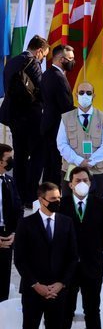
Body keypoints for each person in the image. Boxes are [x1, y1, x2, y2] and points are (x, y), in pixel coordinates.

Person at [13, 182, 78, 329]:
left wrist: (60, 284)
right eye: (53, 199)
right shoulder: (26, 224)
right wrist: (36, 285)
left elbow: (72, 258)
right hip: (34, 291)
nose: (57, 202)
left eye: (59, 198)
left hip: (58, 291)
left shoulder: (66, 223)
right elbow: (20, 259)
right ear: (41, 200)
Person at [58, 167, 103, 329]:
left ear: (90, 184)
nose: (81, 183)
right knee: (66, 309)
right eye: (77, 180)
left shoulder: (101, 205)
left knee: (92, 309)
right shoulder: (61, 206)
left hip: (92, 265)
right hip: (67, 267)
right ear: (70, 184)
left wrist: (94, 249)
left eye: (85, 180)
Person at [0, 35, 48, 204]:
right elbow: (42, 89)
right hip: (31, 118)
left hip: (13, 117)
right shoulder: (33, 63)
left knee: (19, 155)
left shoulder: (12, 62)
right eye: (44, 55)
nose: (43, 59)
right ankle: (30, 194)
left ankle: (18, 193)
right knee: (38, 154)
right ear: (39, 51)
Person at [55, 81, 103, 200]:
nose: (85, 95)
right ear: (76, 95)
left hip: (96, 171)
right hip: (72, 169)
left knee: (95, 206)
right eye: (81, 92)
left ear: (93, 95)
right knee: (69, 206)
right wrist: (79, 161)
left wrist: (90, 162)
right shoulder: (66, 118)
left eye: (88, 93)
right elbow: (61, 144)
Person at [36, 44, 76, 185]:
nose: (73, 61)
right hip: (56, 128)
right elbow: (66, 106)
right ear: (61, 59)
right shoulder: (58, 78)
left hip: (48, 125)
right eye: (70, 58)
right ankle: (54, 194)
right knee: (55, 166)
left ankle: (47, 192)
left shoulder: (47, 74)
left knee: (49, 164)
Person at [0, 143, 21, 302]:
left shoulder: (9, 181)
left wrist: (14, 232)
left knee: (3, 277)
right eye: (9, 158)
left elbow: (18, 209)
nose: (12, 161)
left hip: (7, 235)